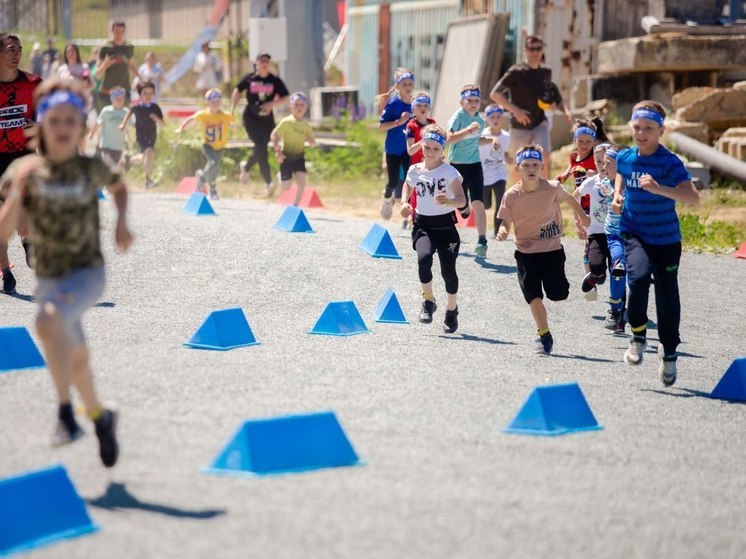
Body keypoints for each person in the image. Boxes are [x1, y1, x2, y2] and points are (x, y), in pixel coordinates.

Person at [0, 79, 133, 467]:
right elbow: (4, 229)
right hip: (50, 280)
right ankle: (99, 417)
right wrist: (16, 198)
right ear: (40, 124)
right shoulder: (23, 171)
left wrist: (122, 224)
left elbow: (120, 188)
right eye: (54, 119)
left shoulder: (90, 168)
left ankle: (63, 416)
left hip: (87, 273)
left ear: (81, 127)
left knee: (47, 319)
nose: (62, 126)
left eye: (71, 120)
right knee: (75, 360)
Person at [611, 101, 700, 386]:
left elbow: (693, 198)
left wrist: (658, 188)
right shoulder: (625, 157)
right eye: (637, 128)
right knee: (636, 279)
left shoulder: (669, 162)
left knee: (666, 293)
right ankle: (637, 335)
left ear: (661, 130)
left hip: (666, 239)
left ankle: (669, 352)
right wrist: (617, 195)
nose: (641, 133)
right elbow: (621, 173)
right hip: (634, 231)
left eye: (648, 128)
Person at [496, 145, 589, 354]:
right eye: (526, 165)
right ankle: (544, 335)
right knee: (534, 296)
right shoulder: (511, 195)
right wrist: (503, 231)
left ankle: (556, 292)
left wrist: (583, 218)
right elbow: (505, 222)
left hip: (552, 251)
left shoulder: (553, 188)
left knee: (558, 294)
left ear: (542, 167)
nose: (531, 169)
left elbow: (570, 199)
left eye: (535, 165)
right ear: (518, 168)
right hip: (525, 254)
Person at [400, 124, 466, 333]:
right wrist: (404, 202)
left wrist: (449, 201)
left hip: (446, 227)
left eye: (435, 149)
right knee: (423, 258)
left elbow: (462, 200)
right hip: (423, 225)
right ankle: (428, 301)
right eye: (426, 147)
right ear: (422, 146)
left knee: (449, 273)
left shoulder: (449, 172)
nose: (430, 152)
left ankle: (451, 309)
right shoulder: (415, 170)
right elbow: (407, 185)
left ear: (443, 151)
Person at [490, 35, 572, 180]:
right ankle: (518, 196)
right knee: (519, 163)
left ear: (542, 50)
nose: (535, 52)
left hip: (540, 123)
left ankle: (545, 195)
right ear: (525, 50)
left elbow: (552, 94)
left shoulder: (546, 71)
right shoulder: (516, 71)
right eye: (532, 49)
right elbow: (495, 94)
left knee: (543, 157)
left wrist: (564, 110)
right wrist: (517, 111)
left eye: (538, 49)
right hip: (519, 126)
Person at [0, 32, 42, 295]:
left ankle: (28, 240)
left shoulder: (34, 84)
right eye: (10, 48)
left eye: (19, 49)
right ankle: (6, 273)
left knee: (22, 222)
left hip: (22, 160)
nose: (16, 53)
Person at [230, 51, 289, 194]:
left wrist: (272, 104)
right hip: (251, 119)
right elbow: (237, 91)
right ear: (256, 63)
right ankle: (268, 183)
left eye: (266, 61)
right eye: (261, 61)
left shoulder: (274, 80)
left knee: (261, 147)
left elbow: (286, 97)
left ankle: (246, 167)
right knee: (261, 148)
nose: (264, 64)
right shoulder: (250, 78)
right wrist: (231, 111)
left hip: (267, 120)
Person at [446, 84, 488, 257]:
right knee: (461, 204)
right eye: (469, 100)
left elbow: (475, 140)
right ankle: (463, 209)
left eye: (476, 100)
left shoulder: (481, 120)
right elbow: (449, 139)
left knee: (478, 202)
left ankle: (482, 241)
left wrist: (491, 141)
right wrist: (468, 130)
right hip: (457, 166)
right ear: (461, 101)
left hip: (475, 165)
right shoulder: (458, 117)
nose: (473, 103)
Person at [175, 88, 235, 200]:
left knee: (216, 167)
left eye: (218, 101)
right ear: (207, 102)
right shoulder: (204, 114)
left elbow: (231, 121)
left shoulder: (224, 115)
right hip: (208, 145)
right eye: (213, 101)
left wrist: (233, 126)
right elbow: (191, 119)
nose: (216, 104)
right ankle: (205, 182)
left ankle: (208, 184)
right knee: (213, 163)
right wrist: (181, 128)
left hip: (220, 146)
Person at [574, 143, 614, 303]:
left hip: (616, 232)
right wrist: (579, 220)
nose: (603, 166)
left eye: (606, 162)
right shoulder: (592, 182)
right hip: (595, 230)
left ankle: (617, 301)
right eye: (598, 162)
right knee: (592, 260)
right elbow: (574, 196)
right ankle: (596, 276)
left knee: (617, 268)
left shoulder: (620, 182)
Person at [376, 68, 414, 220]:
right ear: (397, 86)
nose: (408, 86)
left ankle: (410, 210)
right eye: (404, 84)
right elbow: (381, 126)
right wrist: (399, 122)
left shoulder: (416, 104)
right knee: (392, 181)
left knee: (410, 179)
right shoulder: (393, 104)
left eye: (410, 83)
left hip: (408, 149)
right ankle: (387, 199)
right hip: (393, 149)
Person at [599, 144, 629, 334]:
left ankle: (629, 311)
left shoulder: (636, 187)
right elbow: (607, 191)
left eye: (608, 164)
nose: (603, 168)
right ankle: (614, 309)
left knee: (635, 278)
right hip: (615, 235)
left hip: (636, 237)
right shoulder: (606, 185)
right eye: (603, 163)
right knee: (617, 267)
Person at [270, 91, 316, 206]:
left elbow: (311, 139)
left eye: (302, 105)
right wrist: (277, 150)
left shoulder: (306, 126)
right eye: (296, 104)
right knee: (286, 187)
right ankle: (279, 176)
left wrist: (311, 142)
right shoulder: (287, 122)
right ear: (291, 106)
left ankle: (295, 206)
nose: (299, 107)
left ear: (306, 107)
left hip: (299, 157)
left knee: (302, 182)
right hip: (286, 157)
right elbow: (274, 135)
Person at [119, 81, 163, 189]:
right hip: (141, 135)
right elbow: (128, 115)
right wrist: (123, 125)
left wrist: (156, 119)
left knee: (144, 157)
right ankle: (148, 180)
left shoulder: (155, 107)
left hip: (152, 135)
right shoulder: (136, 107)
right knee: (149, 152)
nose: (148, 96)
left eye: (150, 93)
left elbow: (162, 123)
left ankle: (129, 160)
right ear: (140, 94)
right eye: (145, 93)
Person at [479, 104, 512, 238]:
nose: (495, 119)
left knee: (501, 201)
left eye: (498, 116)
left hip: (500, 173)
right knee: (486, 204)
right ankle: (486, 204)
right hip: (484, 174)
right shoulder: (483, 134)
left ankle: (497, 230)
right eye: (492, 117)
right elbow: (477, 144)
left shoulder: (506, 136)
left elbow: (504, 152)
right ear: (486, 119)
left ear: (503, 118)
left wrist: (509, 158)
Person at [95, 21, 137, 109]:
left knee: (124, 122)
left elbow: (132, 65)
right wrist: (106, 64)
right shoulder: (106, 48)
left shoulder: (128, 48)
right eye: (116, 32)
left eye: (121, 32)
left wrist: (141, 78)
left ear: (125, 32)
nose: (119, 35)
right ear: (112, 31)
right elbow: (98, 75)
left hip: (124, 95)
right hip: (107, 94)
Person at [89, 86, 127, 170]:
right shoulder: (106, 111)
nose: (120, 101)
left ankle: (106, 181)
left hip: (118, 146)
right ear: (112, 99)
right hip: (106, 145)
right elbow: (98, 123)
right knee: (107, 163)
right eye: (117, 99)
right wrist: (92, 133)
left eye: (122, 99)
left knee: (113, 168)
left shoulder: (126, 112)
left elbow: (133, 124)